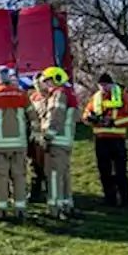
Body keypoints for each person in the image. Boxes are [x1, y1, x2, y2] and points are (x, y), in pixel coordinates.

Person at [0, 66, 36, 220]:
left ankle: (0, 210)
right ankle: (20, 210)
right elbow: (33, 117)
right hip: (19, 143)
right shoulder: (22, 94)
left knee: (0, 177)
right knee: (19, 176)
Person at [83, 72, 128, 209]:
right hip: (101, 140)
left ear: (111, 84)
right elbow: (85, 114)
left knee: (120, 172)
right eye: (100, 85)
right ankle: (110, 198)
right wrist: (90, 118)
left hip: (117, 139)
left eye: (105, 85)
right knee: (104, 171)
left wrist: (114, 122)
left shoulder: (121, 96)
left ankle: (125, 199)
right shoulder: (95, 98)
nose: (103, 88)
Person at [38, 67, 80, 220]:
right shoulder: (70, 93)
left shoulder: (59, 93)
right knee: (64, 175)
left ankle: (55, 208)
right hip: (65, 140)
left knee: (54, 176)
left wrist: (47, 137)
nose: (46, 85)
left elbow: (55, 116)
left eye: (47, 81)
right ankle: (66, 205)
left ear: (55, 79)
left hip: (56, 140)